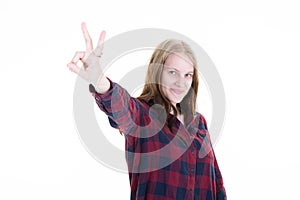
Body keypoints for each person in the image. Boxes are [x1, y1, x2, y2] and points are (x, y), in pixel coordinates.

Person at [67, 22, 227, 200]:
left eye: (187, 75)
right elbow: (122, 107)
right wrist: (99, 79)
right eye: (172, 72)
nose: (181, 82)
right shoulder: (142, 116)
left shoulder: (199, 122)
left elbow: (216, 184)